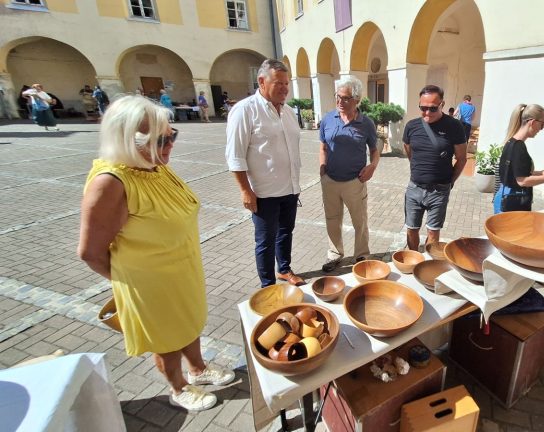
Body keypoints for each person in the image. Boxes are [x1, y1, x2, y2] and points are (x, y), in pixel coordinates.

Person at [77, 95, 235, 412]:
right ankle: (178, 386)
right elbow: (89, 252)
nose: (170, 145)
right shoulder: (111, 183)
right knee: (165, 338)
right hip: (149, 284)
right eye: (161, 139)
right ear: (126, 140)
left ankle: (199, 369)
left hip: (182, 269)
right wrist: (133, 280)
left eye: (171, 135)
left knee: (188, 323)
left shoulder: (154, 166)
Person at [225, 59, 304, 287]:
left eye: (286, 83)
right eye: (279, 83)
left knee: (286, 232)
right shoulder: (245, 110)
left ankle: (285, 270)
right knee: (265, 241)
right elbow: (235, 156)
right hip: (263, 193)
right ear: (262, 81)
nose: (285, 88)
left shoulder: (288, 112)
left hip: (290, 189)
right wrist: (245, 191)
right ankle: (268, 286)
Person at [318, 76, 379, 272]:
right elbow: (323, 146)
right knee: (332, 219)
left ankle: (361, 254)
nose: (340, 102)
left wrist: (373, 166)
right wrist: (322, 168)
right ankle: (334, 254)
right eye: (338, 97)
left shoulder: (366, 123)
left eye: (345, 98)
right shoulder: (328, 119)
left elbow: (376, 149)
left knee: (359, 221)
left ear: (357, 100)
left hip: (355, 181)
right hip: (330, 181)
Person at [402, 85, 467, 251]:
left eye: (432, 108)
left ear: (442, 104)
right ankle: (413, 259)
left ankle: (427, 265)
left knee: (433, 233)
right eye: (423, 108)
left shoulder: (454, 126)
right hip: (414, 188)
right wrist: (419, 169)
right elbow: (408, 150)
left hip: (439, 191)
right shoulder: (411, 126)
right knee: (411, 229)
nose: (427, 113)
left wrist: (449, 182)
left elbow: (461, 159)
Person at [494, 104, 544, 213]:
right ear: (533, 122)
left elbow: (517, 173)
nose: (541, 129)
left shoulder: (512, 142)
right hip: (512, 201)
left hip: (506, 197)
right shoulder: (518, 147)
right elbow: (522, 181)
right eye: (542, 124)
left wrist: (541, 173)